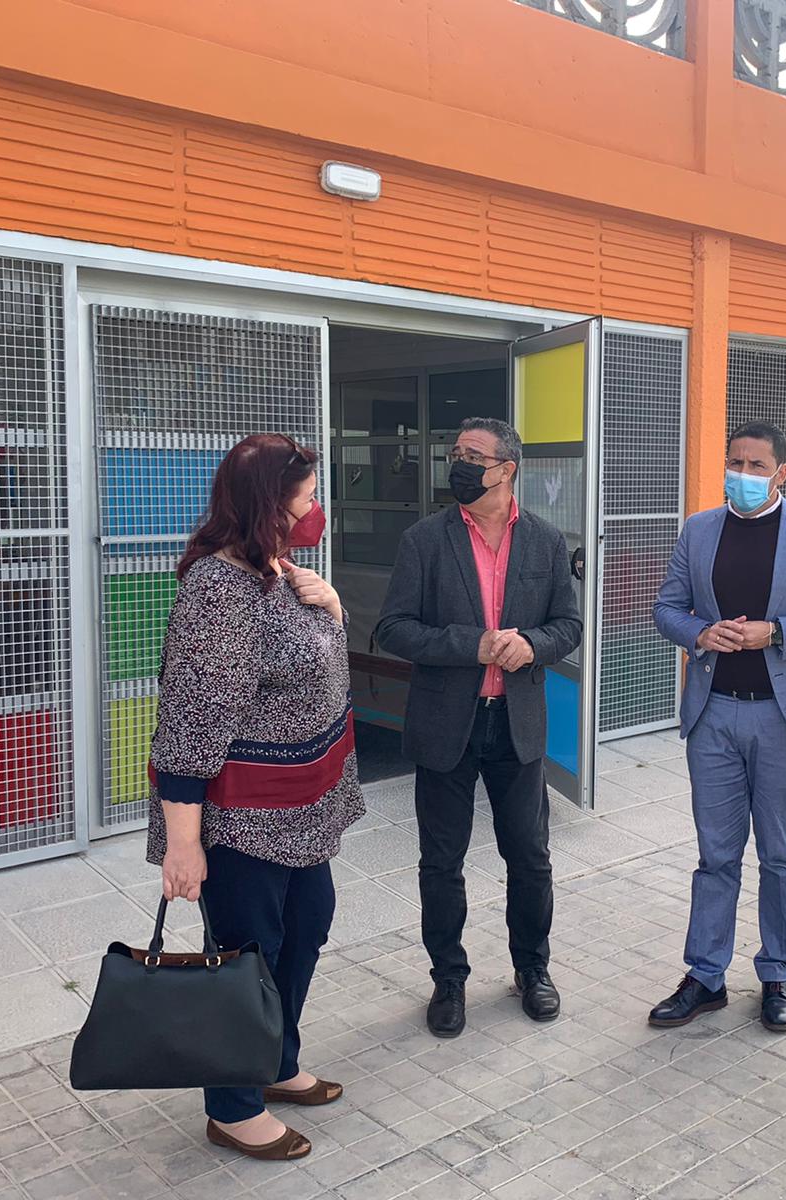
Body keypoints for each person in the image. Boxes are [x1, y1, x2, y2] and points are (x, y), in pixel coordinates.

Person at [147, 433, 364, 1163]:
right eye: (305, 498)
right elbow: (188, 722)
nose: (315, 510)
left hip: (303, 808)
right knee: (247, 955)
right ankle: (232, 1106)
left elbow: (313, 663)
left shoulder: (276, 570)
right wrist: (183, 845)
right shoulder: (217, 589)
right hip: (243, 817)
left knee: (307, 927)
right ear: (269, 504)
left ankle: (273, 1060)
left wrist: (332, 606)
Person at [651, 421, 786, 1033]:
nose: (741, 475)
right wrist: (698, 631)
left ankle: (777, 972)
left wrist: (775, 632)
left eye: (755, 465)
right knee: (715, 855)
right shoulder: (699, 530)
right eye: (734, 463)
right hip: (713, 713)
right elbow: (665, 606)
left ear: (781, 473)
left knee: (779, 855)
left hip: (783, 716)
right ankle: (705, 976)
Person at [376, 417, 582, 1039]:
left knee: (531, 857)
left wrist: (532, 644)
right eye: (455, 452)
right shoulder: (424, 540)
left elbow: (567, 627)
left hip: (515, 725)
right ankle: (448, 979)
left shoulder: (545, 542)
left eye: (473, 455)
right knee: (441, 861)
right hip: (447, 725)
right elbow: (393, 629)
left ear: (506, 469)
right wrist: (474, 646)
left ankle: (533, 969)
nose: (458, 463)